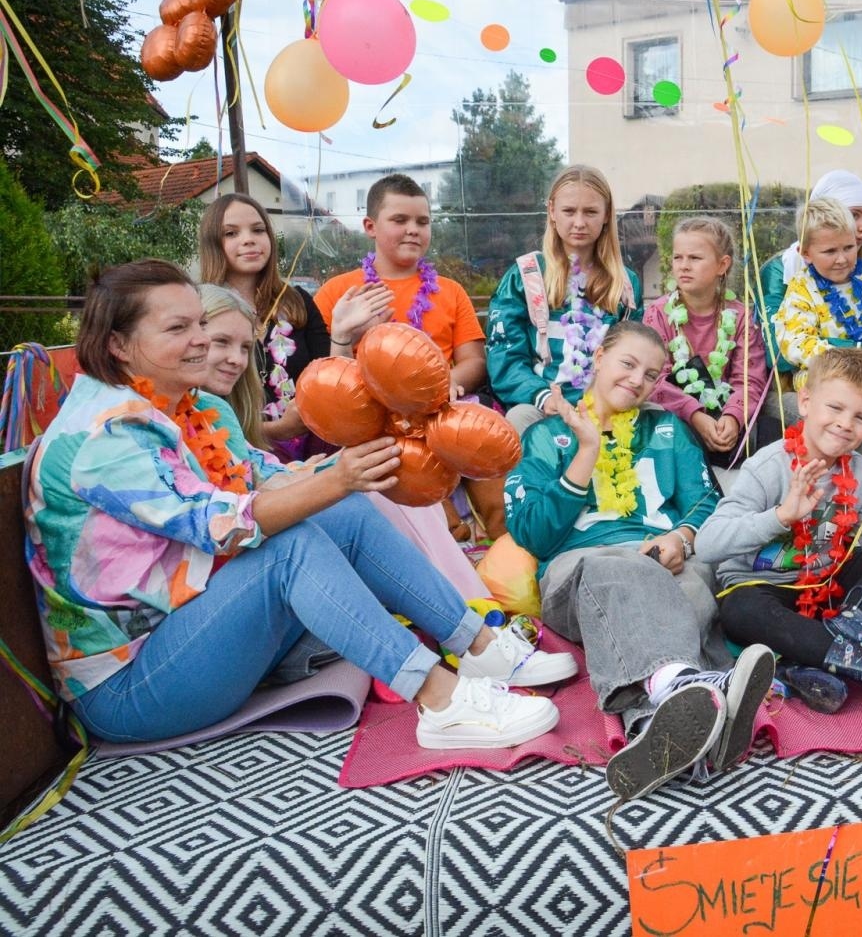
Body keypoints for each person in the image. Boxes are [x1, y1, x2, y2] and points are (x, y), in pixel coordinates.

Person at [22, 260, 570, 751]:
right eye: (177, 328)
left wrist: (359, 462)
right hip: (130, 686)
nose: (201, 341)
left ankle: (477, 645)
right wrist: (338, 479)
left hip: (192, 627)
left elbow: (267, 476)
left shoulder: (187, 406)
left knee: (343, 511)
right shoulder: (103, 439)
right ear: (118, 345)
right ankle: (440, 700)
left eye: (198, 323)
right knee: (293, 546)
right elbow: (221, 528)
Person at [503, 321, 774, 800]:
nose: (637, 380)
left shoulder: (668, 429)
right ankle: (701, 692)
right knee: (620, 569)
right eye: (627, 364)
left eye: (651, 375)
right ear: (601, 356)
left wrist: (683, 537)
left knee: (694, 585)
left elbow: (707, 502)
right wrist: (587, 449)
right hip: (581, 571)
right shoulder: (547, 435)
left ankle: (661, 729)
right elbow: (533, 532)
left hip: (663, 560)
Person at [697, 348, 862, 730]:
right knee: (739, 611)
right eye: (835, 408)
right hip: (764, 591)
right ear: (807, 402)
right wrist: (781, 516)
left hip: (828, 594)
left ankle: (807, 660)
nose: (846, 424)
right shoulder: (768, 466)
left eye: (860, 417)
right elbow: (708, 544)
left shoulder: (861, 475)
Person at [197, 284, 494, 602]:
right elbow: (248, 499)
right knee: (374, 484)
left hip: (283, 504)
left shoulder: (220, 408)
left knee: (388, 468)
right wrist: (309, 457)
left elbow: (266, 471)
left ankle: (461, 604)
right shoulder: (170, 416)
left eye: (244, 348)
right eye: (221, 343)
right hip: (242, 563)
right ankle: (465, 609)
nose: (236, 359)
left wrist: (327, 468)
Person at [312, 173, 505, 538]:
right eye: (399, 220)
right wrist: (349, 335)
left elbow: (474, 361)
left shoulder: (450, 292)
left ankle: (503, 540)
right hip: (378, 422)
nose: (413, 229)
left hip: (444, 408)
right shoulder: (341, 293)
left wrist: (442, 384)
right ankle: (449, 533)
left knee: (484, 454)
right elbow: (327, 378)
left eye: (422, 221)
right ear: (370, 226)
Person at [774, 198, 862, 503]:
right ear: (806, 253)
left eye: (848, 248)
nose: (841, 259)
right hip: (823, 381)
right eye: (829, 251)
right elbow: (795, 344)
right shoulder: (801, 288)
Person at [487, 165, 642, 434]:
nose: (579, 222)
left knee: (658, 418)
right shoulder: (524, 276)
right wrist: (543, 397)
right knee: (518, 421)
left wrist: (613, 398)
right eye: (569, 211)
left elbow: (635, 356)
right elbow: (505, 357)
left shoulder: (626, 284)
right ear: (552, 211)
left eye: (590, 212)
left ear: (606, 215)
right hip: (541, 404)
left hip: (608, 405)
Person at [197, 193, 331, 459]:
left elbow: (328, 376)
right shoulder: (199, 306)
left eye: (258, 230)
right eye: (231, 233)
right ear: (213, 243)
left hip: (310, 448)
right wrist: (277, 430)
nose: (249, 239)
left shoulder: (297, 301)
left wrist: (344, 334)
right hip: (232, 455)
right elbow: (195, 406)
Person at [642, 216, 769, 468]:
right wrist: (695, 415)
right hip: (674, 417)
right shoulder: (657, 313)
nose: (683, 266)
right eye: (678, 257)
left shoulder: (741, 316)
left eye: (695, 258)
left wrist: (733, 417)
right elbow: (653, 379)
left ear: (722, 265)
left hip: (725, 417)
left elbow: (749, 379)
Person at [756, 170, 862, 380]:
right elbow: (777, 354)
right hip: (797, 387)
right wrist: (860, 351)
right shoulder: (779, 269)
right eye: (854, 214)